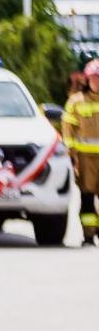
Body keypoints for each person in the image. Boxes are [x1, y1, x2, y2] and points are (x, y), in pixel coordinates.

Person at [63, 71, 99, 246]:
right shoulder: (76, 102)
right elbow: (68, 130)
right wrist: (71, 154)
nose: (97, 82)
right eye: (94, 78)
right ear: (87, 80)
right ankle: (89, 235)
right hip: (85, 159)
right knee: (87, 197)